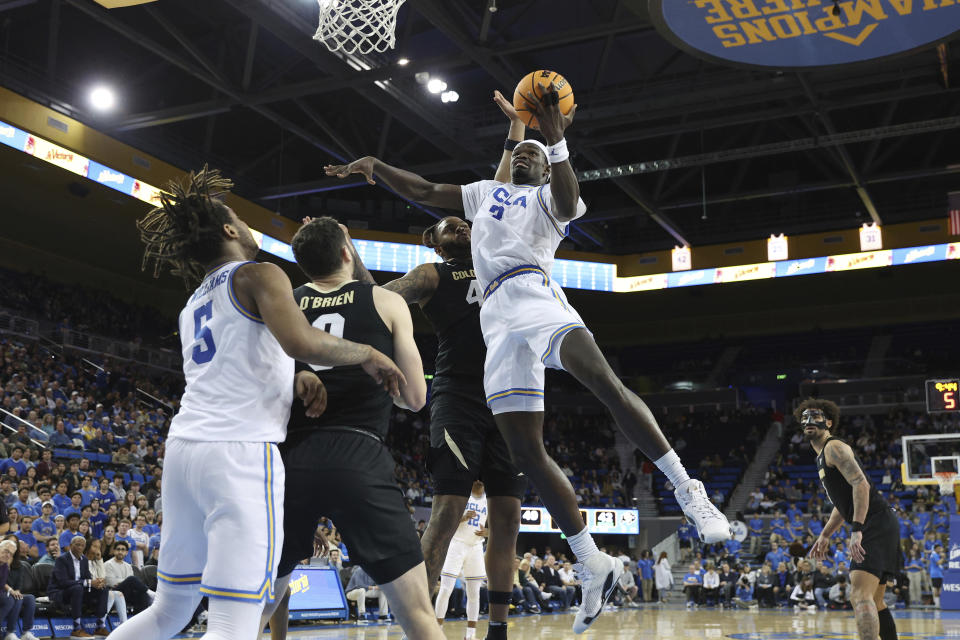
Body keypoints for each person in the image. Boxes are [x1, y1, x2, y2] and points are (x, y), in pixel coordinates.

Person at [325, 81, 730, 635]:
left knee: (603, 383)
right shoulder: (481, 194)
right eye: (520, 151)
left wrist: (556, 143)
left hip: (534, 295)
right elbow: (422, 186)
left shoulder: (547, 199)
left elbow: (567, 200)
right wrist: (378, 166)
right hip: (496, 323)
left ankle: (689, 491)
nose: (524, 154)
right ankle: (590, 559)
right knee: (528, 453)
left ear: (544, 167)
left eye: (533, 154)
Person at [106, 167, 404, 640]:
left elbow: (241, 363)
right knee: (233, 621)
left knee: (168, 612)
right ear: (229, 230)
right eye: (240, 220)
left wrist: (296, 378)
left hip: (184, 452)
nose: (248, 227)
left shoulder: (192, 304)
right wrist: (367, 353)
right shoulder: (260, 273)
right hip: (239, 454)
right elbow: (298, 339)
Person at [382, 102, 527, 640]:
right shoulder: (430, 274)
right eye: (451, 223)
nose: (462, 223)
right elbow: (381, 300)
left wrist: (516, 129)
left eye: (465, 221)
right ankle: (417, 627)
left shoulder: (492, 252)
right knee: (446, 510)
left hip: (508, 394)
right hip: (458, 396)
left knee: (508, 518)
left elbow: (500, 186)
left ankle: (497, 628)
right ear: (435, 239)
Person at [258, 217, 441, 640]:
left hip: (288, 461)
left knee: (251, 614)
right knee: (417, 614)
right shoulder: (385, 301)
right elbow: (414, 398)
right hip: (358, 454)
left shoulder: (281, 304)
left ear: (302, 263)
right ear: (348, 253)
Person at [803, 399, 901, 640]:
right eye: (804, 417)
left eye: (815, 417)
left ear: (828, 423)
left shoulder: (833, 447)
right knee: (875, 600)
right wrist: (826, 534)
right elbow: (843, 504)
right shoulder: (822, 457)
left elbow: (861, 484)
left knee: (859, 595)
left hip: (874, 523)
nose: (808, 421)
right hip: (882, 522)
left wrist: (857, 529)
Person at [434, 482, 488, 639]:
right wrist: (463, 517)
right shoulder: (462, 495)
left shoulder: (489, 499)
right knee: (445, 589)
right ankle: (437, 630)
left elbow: (496, 524)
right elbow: (445, 521)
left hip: (476, 546)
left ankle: (470, 635)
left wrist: (488, 532)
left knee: (474, 593)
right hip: (456, 544)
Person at [48, 535, 109, 638]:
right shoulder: (62, 559)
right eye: (77, 545)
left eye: (82, 545)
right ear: (71, 545)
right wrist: (88, 582)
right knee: (78, 588)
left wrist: (97, 583)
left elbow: (88, 578)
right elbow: (63, 582)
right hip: (61, 592)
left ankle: (100, 626)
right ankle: (76, 629)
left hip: (78, 591)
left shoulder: (84, 560)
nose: (80, 547)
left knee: (103, 589)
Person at [0, 538, 39, 640]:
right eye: (6, 551)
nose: (8, 555)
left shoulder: (8, 565)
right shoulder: (4, 564)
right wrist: (10, 591)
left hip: (5, 591)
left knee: (29, 598)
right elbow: (3, 584)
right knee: (13, 599)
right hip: (5, 592)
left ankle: (26, 632)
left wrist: (16, 590)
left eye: (11, 553)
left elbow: (17, 583)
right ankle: (10, 632)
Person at [104, 540, 155, 615]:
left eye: (123, 550)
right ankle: (151, 593)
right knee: (131, 579)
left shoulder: (128, 566)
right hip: (114, 592)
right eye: (118, 549)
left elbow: (131, 583)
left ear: (126, 553)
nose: (120, 552)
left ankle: (137, 618)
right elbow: (111, 582)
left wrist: (125, 581)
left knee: (143, 595)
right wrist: (127, 581)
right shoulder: (108, 564)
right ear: (114, 551)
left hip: (127, 592)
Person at [87, 539, 128, 627]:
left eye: (99, 547)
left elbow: (102, 576)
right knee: (110, 594)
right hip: (88, 590)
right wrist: (99, 582)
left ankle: (124, 625)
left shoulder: (96, 561)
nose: (97, 550)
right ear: (88, 547)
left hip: (98, 589)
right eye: (94, 546)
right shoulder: (83, 560)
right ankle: (101, 624)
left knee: (118, 594)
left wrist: (99, 560)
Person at [929, 543, 944, 608]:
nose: (940, 550)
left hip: (939, 574)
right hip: (935, 574)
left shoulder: (936, 555)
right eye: (939, 548)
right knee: (936, 589)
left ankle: (938, 603)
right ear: (936, 549)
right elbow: (938, 563)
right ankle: (937, 604)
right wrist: (943, 557)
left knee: (939, 589)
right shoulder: (934, 555)